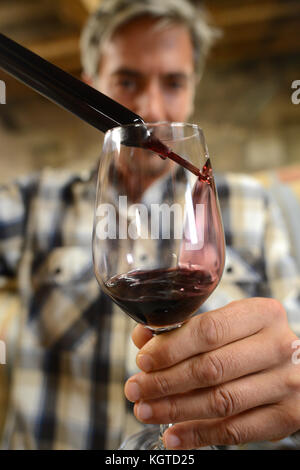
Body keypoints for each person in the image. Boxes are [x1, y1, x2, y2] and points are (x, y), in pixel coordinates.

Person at [0, 0, 299, 450]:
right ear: (90, 85)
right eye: (126, 80)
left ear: (194, 87)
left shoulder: (253, 206)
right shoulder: (31, 202)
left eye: (173, 82)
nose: (150, 105)